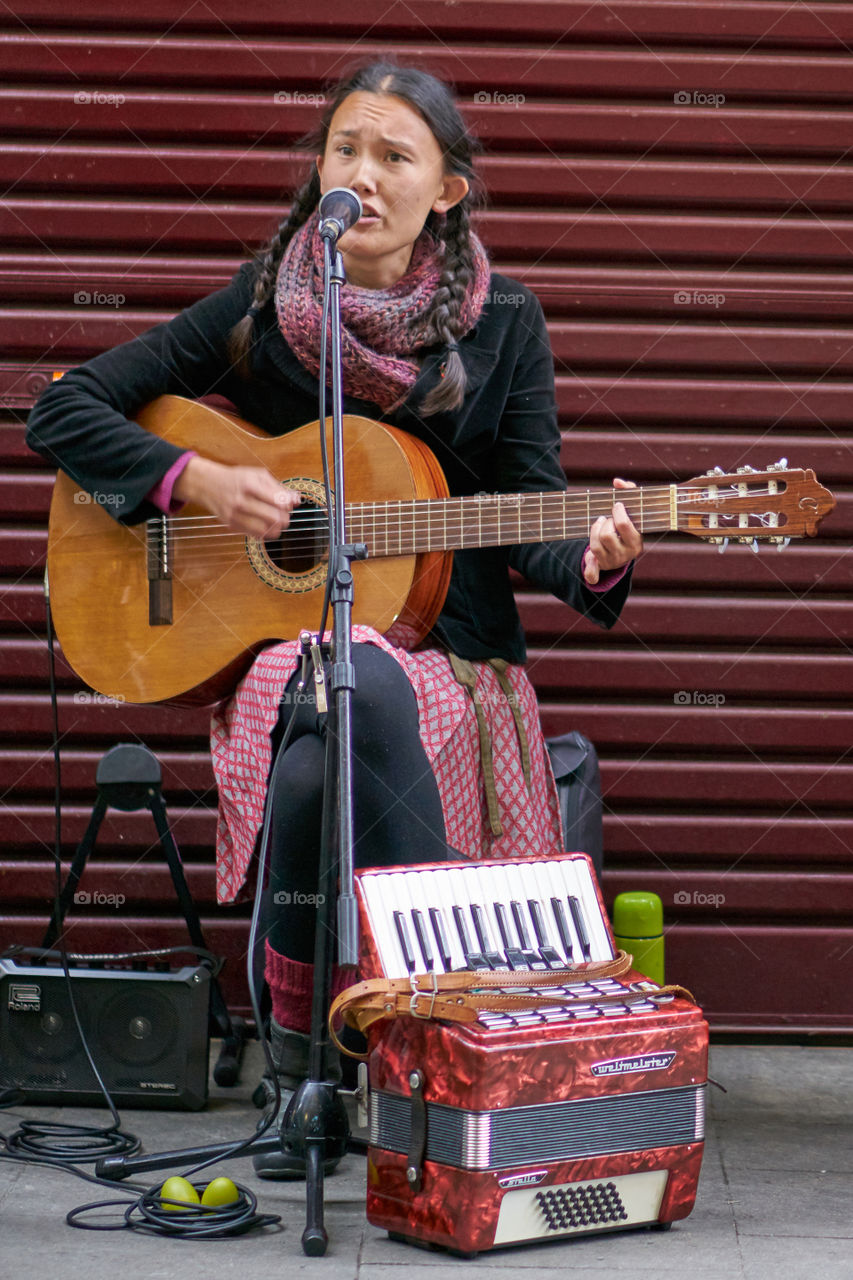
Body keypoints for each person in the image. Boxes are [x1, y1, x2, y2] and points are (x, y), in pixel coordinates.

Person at [25, 62, 642, 1178]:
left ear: (446, 190)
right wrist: (199, 483)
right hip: (284, 649)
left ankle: (328, 1066)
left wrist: (594, 557)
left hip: (450, 656)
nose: (362, 174)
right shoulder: (265, 303)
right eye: (344, 149)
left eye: (394, 156)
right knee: (326, 684)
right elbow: (62, 409)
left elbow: (531, 508)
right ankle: (374, 1071)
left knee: (346, 704)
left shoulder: (504, 322)